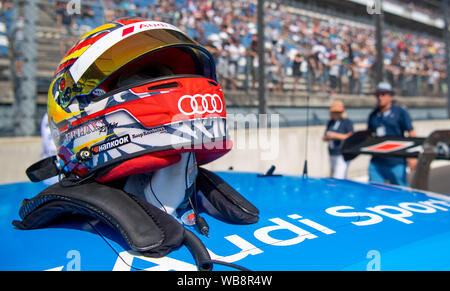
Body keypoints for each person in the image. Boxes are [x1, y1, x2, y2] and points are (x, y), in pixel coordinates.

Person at [367, 82, 417, 186]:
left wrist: (412, 157)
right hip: (377, 161)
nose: (380, 97)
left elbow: (411, 133)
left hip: (396, 161)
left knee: (401, 191)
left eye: (383, 94)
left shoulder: (400, 112)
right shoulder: (373, 115)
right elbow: (369, 135)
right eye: (378, 95)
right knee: (374, 191)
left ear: (390, 96)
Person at [323, 100, 354, 179]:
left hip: (342, 154)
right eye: (334, 112)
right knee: (335, 176)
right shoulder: (330, 122)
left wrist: (335, 135)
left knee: (338, 177)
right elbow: (324, 137)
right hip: (332, 153)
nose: (336, 114)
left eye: (338, 112)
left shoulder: (347, 122)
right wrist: (327, 137)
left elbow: (350, 136)